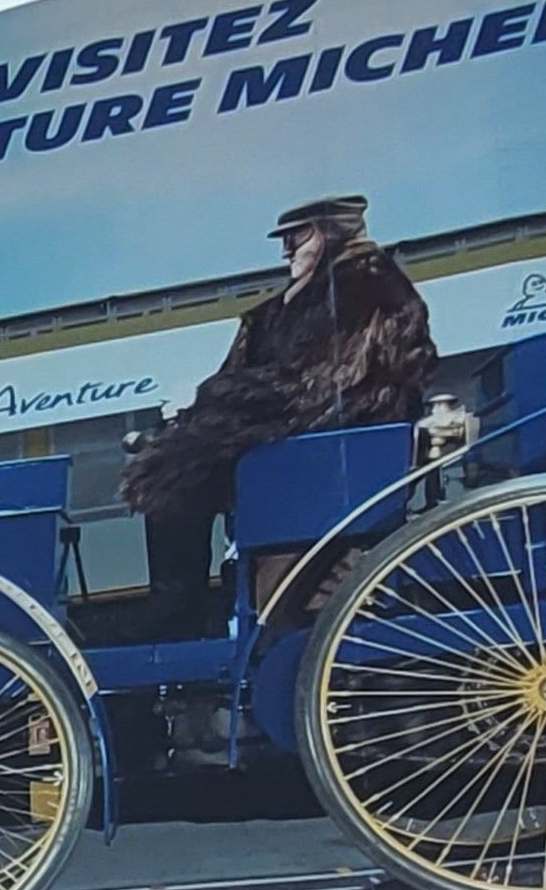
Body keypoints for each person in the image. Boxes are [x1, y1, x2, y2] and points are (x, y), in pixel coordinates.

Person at [117, 195, 441, 594]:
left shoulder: (367, 288)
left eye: (297, 236)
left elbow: (323, 385)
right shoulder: (300, 296)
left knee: (176, 477)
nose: (286, 249)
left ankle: (176, 612)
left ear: (331, 232)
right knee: (173, 465)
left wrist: (220, 398)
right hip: (308, 435)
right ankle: (182, 609)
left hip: (336, 445)